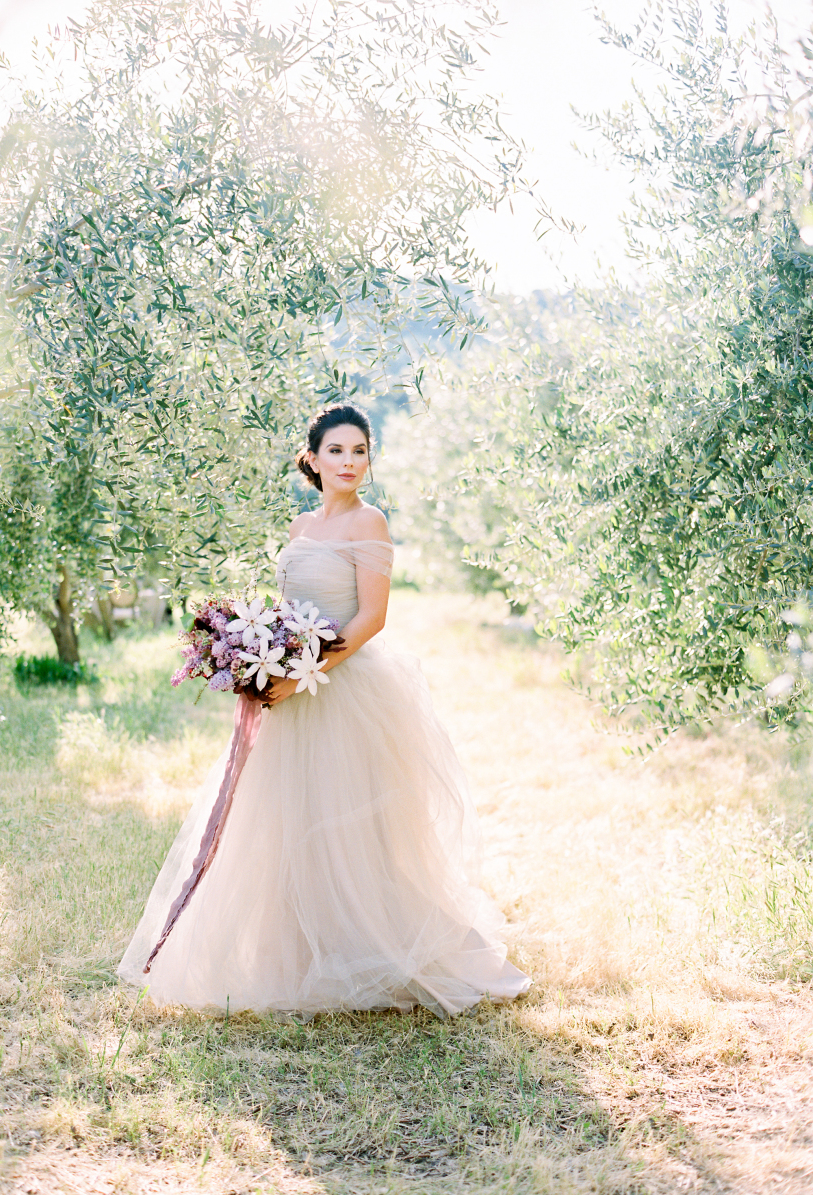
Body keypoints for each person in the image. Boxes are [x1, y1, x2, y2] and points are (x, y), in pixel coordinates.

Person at [118, 404, 530, 1016]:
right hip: (291, 691)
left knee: (354, 827)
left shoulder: (371, 521)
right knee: (285, 823)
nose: (349, 462)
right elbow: (290, 610)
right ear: (312, 458)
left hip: (345, 686)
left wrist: (305, 671)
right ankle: (299, 955)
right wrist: (261, 659)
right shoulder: (300, 526)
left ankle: (383, 948)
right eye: (336, 451)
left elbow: (371, 618)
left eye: (359, 451)